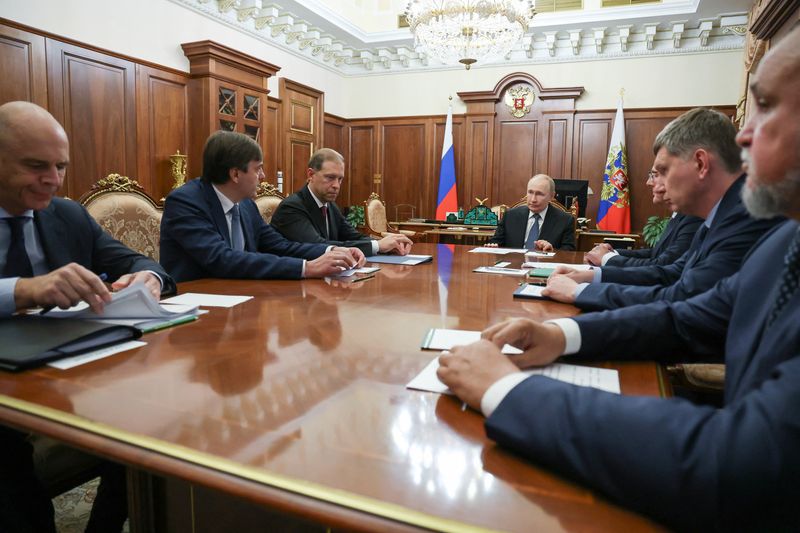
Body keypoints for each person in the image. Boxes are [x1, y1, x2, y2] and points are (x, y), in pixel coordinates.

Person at [437, 26, 800, 530]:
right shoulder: (784, 240)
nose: (742, 135)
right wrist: (558, 334)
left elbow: (745, 465)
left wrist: (507, 392)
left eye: (765, 106)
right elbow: (685, 317)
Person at [0, 101, 176, 532]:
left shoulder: (68, 214)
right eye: (36, 165)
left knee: (151, 414)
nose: (54, 180)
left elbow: (142, 263)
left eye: (60, 166)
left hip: (62, 369)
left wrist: (147, 278)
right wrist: (21, 289)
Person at [545, 108, 782, 311]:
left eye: (663, 171)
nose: (654, 183)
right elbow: (674, 275)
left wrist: (582, 293)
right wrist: (593, 277)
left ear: (700, 164)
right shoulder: (716, 217)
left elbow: (681, 299)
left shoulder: (743, 218)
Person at [160, 132, 365, 282]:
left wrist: (333, 250)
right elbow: (221, 259)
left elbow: (279, 245)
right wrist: (306, 268)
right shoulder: (186, 202)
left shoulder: (246, 204)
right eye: (257, 169)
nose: (263, 176)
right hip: (199, 303)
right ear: (235, 174)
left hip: (244, 295)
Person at [271, 148, 413, 256]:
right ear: (311, 175)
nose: (336, 185)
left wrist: (389, 245)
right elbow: (318, 245)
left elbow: (353, 236)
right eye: (330, 177)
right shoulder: (292, 207)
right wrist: (377, 246)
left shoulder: (330, 205)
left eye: (340, 179)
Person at [584, 169, 702, 267]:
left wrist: (607, 258)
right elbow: (656, 254)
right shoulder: (680, 214)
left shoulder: (693, 217)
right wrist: (612, 253)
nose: (648, 182)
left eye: (654, 175)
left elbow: (664, 265)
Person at [488, 174, 576, 251]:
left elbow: (569, 252)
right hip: (514, 265)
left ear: (551, 196)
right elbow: (496, 242)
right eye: (530, 192)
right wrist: (493, 246)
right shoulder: (510, 216)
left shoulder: (565, 220)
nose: (533, 199)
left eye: (539, 194)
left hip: (545, 267)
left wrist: (552, 250)